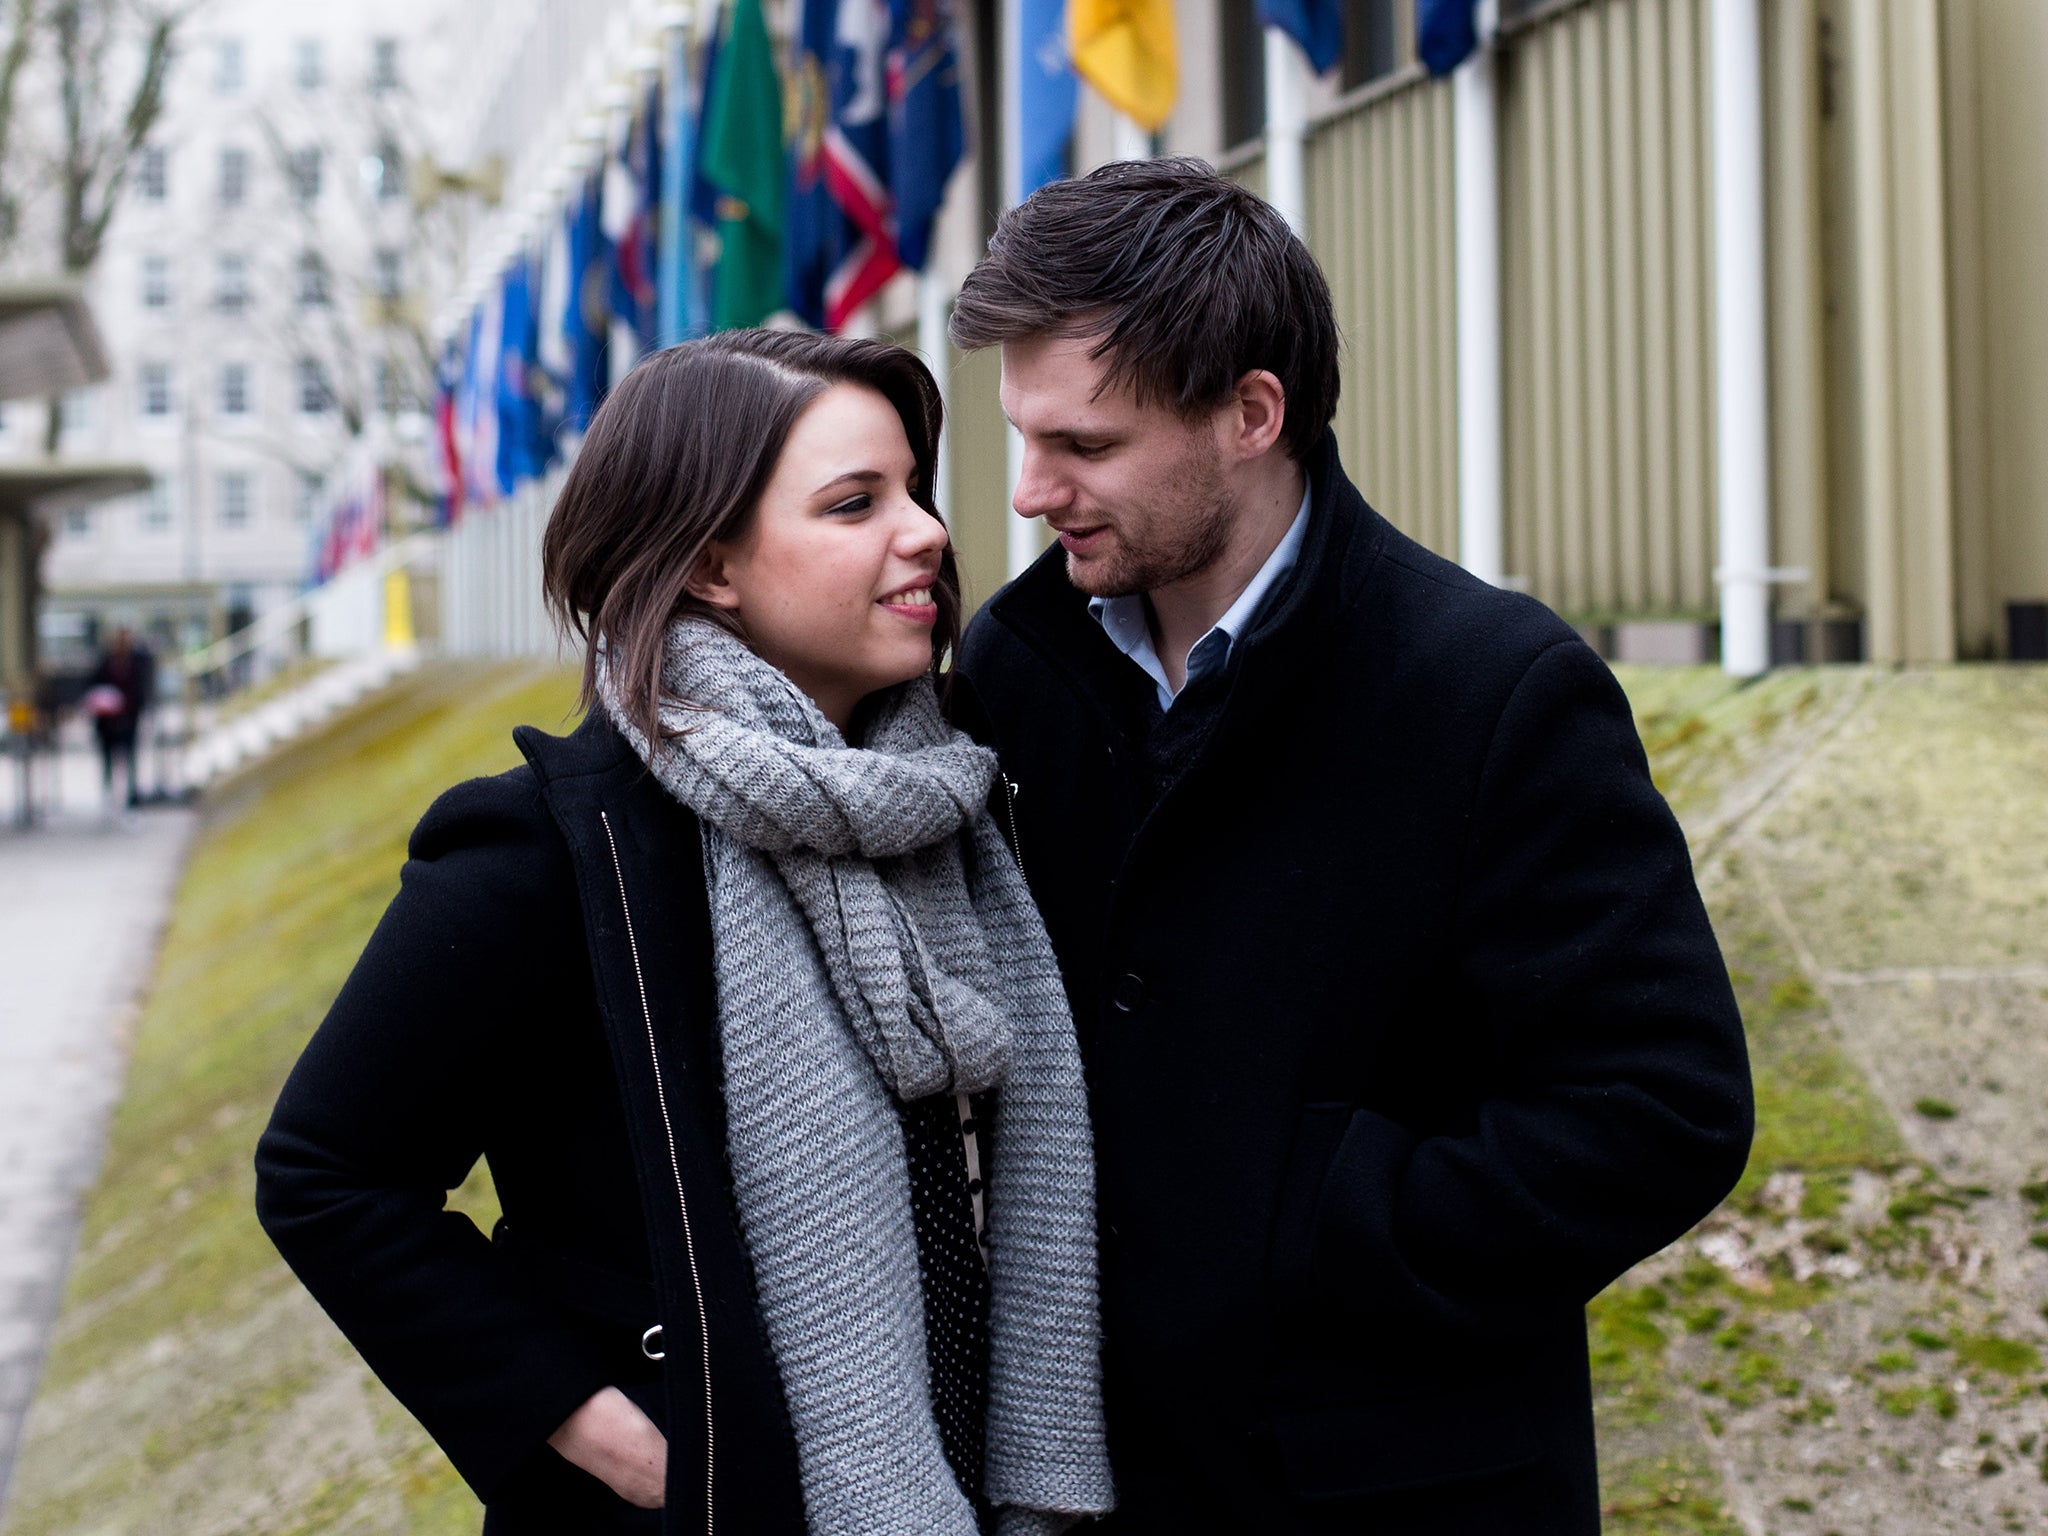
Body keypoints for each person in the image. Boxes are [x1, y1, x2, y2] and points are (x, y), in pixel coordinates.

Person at [945, 157, 1754, 1534]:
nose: (1029, 493)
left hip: (1396, 1490)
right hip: (1087, 1488)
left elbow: (1660, 1110)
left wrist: (1323, 1221)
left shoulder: (1493, 687)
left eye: (1083, 447)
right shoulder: (1008, 677)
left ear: (1251, 414)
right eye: (1024, 438)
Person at [255, 331, 1114, 1535]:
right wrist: (615, 1435)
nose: (924, 530)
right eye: (854, 503)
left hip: (987, 1476)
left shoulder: (957, 799)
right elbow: (325, 1176)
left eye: (913, 488)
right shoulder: (553, 850)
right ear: (711, 564)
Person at [82, 625, 154, 811]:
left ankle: (131, 795)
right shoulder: (106, 660)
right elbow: (94, 683)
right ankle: (108, 794)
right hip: (107, 720)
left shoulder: (138, 660)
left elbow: (141, 687)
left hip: (129, 716)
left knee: (130, 756)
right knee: (107, 757)